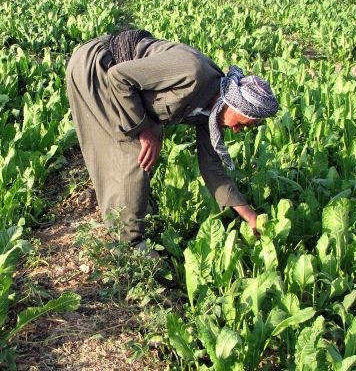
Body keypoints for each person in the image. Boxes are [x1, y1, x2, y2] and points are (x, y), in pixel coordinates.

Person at [66, 29, 279, 250]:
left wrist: (251, 218)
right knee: (136, 153)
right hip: (95, 67)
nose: (236, 130)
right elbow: (119, 77)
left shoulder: (213, 113)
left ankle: (130, 210)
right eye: (242, 123)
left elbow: (213, 170)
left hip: (121, 86)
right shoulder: (193, 73)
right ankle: (128, 245)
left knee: (143, 146)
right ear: (233, 104)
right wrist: (145, 130)